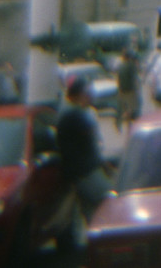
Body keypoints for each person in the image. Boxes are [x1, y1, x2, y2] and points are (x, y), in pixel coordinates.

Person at [57, 75, 111, 220]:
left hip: (77, 172)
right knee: (109, 203)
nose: (90, 95)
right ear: (81, 94)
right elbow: (92, 143)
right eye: (87, 92)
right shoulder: (75, 114)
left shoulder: (68, 110)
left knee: (91, 214)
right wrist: (104, 165)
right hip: (86, 172)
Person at [116, 47, 140, 131]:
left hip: (122, 90)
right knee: (133, 109)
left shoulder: (120, 66)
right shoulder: (131, 65)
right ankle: (130, 124)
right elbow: (135, 78)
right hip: (130, 91)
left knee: (124, 108)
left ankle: (121, 121)